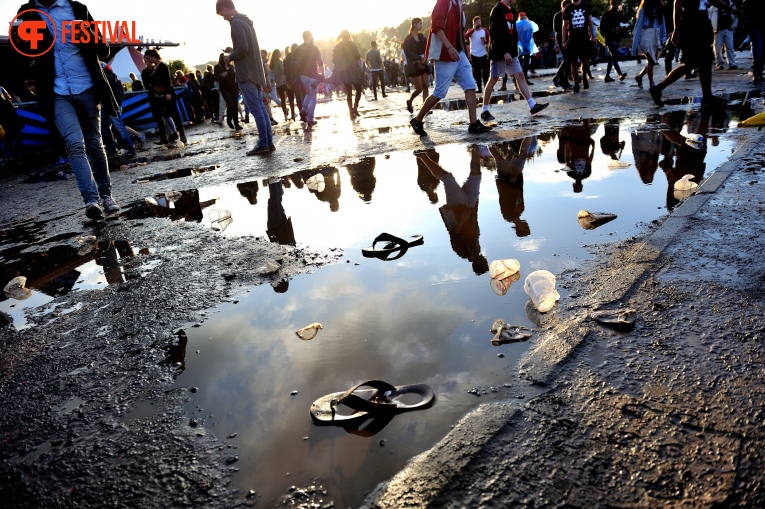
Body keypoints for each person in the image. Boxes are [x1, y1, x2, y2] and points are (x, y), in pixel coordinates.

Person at [11, 0, 119, 219]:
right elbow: (21, 57)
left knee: (95, 144)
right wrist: (21, 39)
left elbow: (103, 49)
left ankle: (107, 196)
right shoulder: (27, 12)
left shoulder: (77, 9)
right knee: (73, 144)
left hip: (87, 85)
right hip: (56, 91)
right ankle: (91, 201)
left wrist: (90, 35)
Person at [409, 0, 493, 136]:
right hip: (445, 54)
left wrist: (462, 51)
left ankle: (474, 124)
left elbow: (460, 30)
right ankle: (417, 120)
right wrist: (449, 47)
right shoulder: (444, 2)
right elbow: (436, 27)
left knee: (470, 86)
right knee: (439, 92)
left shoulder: (458, 4)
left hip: (459, 53)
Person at [648, 0, 740, 107]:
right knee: (692, 62)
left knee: (704, 61)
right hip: (691, 26)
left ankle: (707, 96)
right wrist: (676, 30)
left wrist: (731, 10)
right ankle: (658, 88)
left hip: (702, 25)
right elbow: (677, 4)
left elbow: (714, 1)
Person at [416, 146, 489, 275]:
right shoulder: (476, 249)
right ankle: (475, 147)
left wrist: (463, 219)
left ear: (477, 264)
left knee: (447, 178)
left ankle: (422, 157)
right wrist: (473, 208)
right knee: (476, 175)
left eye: (484, 262)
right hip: (470, 206)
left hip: (457, 209)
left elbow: (454, 233)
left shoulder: (463, 252)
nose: (485, 259)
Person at [216, 0, 274, 155]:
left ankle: (263, 143)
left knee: (256, 109)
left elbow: (243, 48)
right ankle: (268, 142)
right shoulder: (246, 21)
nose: (223, 18)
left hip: (246, 73)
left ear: (225, 8)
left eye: (222, 14)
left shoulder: (236, 23)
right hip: (255, 72)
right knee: (260, 108)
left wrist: (230, 57)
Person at [480, 0, 549, 122]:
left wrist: (513, 49)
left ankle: (532, 105)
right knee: (494, 78)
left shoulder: (512, 10)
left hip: (511, 52)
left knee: (520, 76)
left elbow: (513, 32)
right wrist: (504, 51)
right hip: (499, 52)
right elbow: (495, 33)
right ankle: (484, 110)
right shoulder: (497, 10)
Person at [144, 49, 188, 145]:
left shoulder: (163, 66)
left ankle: (182, 135)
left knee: (174, 114)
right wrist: (149, 70)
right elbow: (148, 83)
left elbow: (167, 80)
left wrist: (168, 93)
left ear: (154, 56)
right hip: (157, 95)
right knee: (159, 116)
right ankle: (163, 138)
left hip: (167, 93)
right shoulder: (152, 69)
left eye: (149, 58)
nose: (148, 60)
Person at [100, 62, 136, 157]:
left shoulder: (104, 71)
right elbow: (117, 87)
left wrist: (116, 102)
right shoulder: (106, 69)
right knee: (111, 126)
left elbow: (114, 87)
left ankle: (127, 148)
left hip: (109, 102)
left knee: (112, 126)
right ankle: (125, 148)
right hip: (108, 102)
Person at [562, 0, 596, 93]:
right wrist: (564, 40)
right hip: (572, 38)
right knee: (573, 62)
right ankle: (576, 83)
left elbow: (589, 21)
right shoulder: (568, 9)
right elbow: (564, 25)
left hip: (584, 37)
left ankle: (584, 76)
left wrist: (593, 35)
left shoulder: (586, 5)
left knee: (584, 60)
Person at [632, 0, 667, 89]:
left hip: (657, 37)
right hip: (646, 36)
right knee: (651, 60)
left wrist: (663, 39)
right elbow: (638, 27)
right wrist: (634, 46)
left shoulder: (660, 9)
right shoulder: (643, 9)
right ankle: (652, 83)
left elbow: (663, 25)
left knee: (653, 61)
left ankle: (639, 77)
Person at [332, 30, 363, 119]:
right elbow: (358, 55)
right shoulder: (352, 44)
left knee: (349, 93)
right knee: (359, 89)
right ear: (348, 36)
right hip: (354, 70)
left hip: (344, 71)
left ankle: (351, 113)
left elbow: (334, 60)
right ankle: (355, 108)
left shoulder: (337, 47)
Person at [296, 31, 324, 126]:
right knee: (313, 97)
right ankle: (310, 119)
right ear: (309, 37)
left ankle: (303, 110)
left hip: (302, 75)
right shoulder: (314, 48)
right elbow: (320, 62)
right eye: (312, 36)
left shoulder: (298, 49)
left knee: (308, 93)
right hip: (312, 75)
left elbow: (295, 63)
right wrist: (322, 74)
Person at [403, 18, 430, 113]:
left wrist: (427, 57)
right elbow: (408, 52)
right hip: (414, 65)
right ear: (414, 24)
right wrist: (419, 58)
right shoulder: (408, 38)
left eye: (421, 24)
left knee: (426, 86)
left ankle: (425, 108)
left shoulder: (422, 36)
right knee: (419, 89)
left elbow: (428, 47)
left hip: (424, 63)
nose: (421, 26)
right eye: (419, 24)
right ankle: (409, 102)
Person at [600, 0, 628, 81]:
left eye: (617, 4)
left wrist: (622, 9)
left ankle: (607, 76)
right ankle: (620, 74)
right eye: (615, 4)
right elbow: (602, 28)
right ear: (611, 4)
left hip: (617, 39)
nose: (616, 6)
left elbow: (625, 20)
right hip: (609, 40)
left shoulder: (618, 14)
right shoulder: (606, 14)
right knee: (615, 56)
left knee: (612, 58)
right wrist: (611, 30)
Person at [709, 0, 737, 70]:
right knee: (717, 48)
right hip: (718, 30)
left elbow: (735, 16)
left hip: (728, 29)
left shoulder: (731, 5)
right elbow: (709, 17)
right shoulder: (713, 7)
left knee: (730, 47)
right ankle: (719, 63)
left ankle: (732, 63)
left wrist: (734, 26)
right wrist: (713, 28)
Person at [465, 16, 490, 94]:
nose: (478, 23)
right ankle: (479, 88)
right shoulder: (471, 31)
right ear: (473, 23)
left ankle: (486, 87)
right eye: (476, 22)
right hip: (474, 54)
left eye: (479, 22)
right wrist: (473, 29)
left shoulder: (484, 30)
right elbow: (465, 36)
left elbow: (489, 41)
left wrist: (485, 40)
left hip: (483, 53)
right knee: (477, 72)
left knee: (486, 71)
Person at [552, 0, 573, 90]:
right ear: (564, 6)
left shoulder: (570, 14)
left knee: (568, 60)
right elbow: (556, 29)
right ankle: (560, 78)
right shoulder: (558, 15)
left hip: (569, 39)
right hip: (562, 39)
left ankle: (562, 79)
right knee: (567, 59)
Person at [742, 0, 763, 82]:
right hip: (756, 24)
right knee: (759, 49)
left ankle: (758, 73)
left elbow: (745, 13)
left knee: (758, 48)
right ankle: (758, 73)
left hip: (755, 24)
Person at [269, 49, 291, 121]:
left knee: (283, 100)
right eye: (279, 53)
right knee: (290, 98)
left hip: (278, 84)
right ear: (277, 54)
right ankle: (293, 113)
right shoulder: (279, 62)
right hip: (283, 82)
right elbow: (283, 71)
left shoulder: (272, 64)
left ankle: (285, 115)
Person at [515, 12, 538, 83]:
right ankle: (524, 79)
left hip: (518, 46)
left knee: (518, 64)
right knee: (526, 63)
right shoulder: (529, 23)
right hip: (527, 46)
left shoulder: (516, 24)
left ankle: (516, 80)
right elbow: (531, 33)